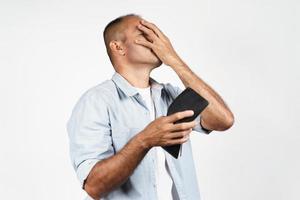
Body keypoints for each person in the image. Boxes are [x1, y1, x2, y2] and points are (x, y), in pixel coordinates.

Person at [67, 13, 234, 200]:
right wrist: (144, 140)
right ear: (119, 47)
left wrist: (174, 60)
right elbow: (94, 186)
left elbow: (223, 120)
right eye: (144, 34)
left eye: (156, 33)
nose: (156, 41)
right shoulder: (96, 101)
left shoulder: (171, 96)